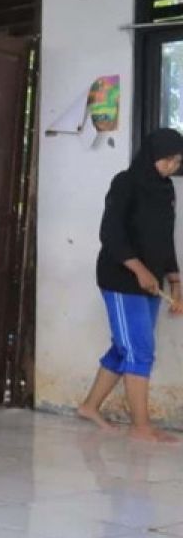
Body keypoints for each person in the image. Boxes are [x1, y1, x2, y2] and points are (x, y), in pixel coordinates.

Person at [77, 128, 183, 442]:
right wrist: (138, 269)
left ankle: (89, 406)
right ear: (151, 155)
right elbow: (110, 234)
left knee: (126, 346)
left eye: (177, 162)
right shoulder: (125, 183)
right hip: (120, 278)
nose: (171, 167)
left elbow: (165, 239)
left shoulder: (166, 191)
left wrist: (175, 280)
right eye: (166, 160)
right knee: (139, 349)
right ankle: (141, 427)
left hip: (150, 281)